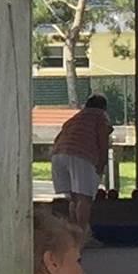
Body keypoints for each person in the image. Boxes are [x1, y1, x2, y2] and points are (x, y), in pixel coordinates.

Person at [49, 93, 112, 234]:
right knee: (84, 198)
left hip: (58, 154)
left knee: (73, 198)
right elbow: (102, 139)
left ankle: (73, 235)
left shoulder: (75, 118)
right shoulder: (100, 116)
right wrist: (102, 162)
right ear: (104, 107)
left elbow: (58, 138)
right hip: (81, 156)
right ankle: (83, 236)